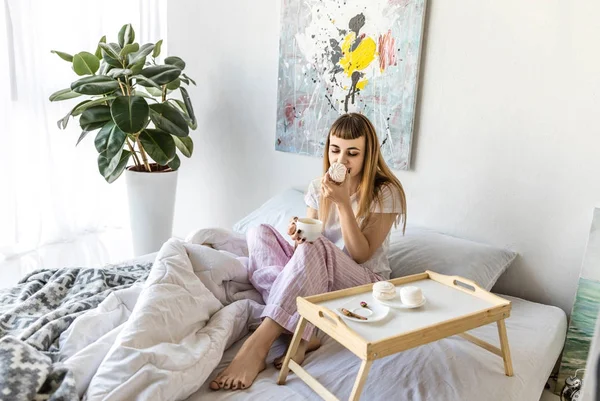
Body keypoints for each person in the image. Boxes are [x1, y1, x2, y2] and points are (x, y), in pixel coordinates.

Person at [210, 112, 407, 391]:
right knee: (259, 233)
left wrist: (342, 203)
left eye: (353, 153)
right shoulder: (318, 186)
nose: (341, 160)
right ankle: (302, 329)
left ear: (368, 155)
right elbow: (305, 250)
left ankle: (259, 344)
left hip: (364, 283)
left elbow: (360, 253)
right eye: (335, 150)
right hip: (320, 277)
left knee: (317, 247)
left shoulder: (385, 192)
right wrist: (296, 233)